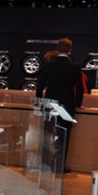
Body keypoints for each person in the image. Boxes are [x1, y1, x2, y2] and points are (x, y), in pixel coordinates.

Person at [36, 38, 85, 172]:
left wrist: (39, 102)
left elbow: (39, 86)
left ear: (57, 48)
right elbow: (79, 88)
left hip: (49, 104)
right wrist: (78, 104)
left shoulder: (48, 65)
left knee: (46, 134)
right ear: (70, 50)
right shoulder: (75, 66)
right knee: (63, 136)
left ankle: (44, 164)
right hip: (67, 105)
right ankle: (59, 166)